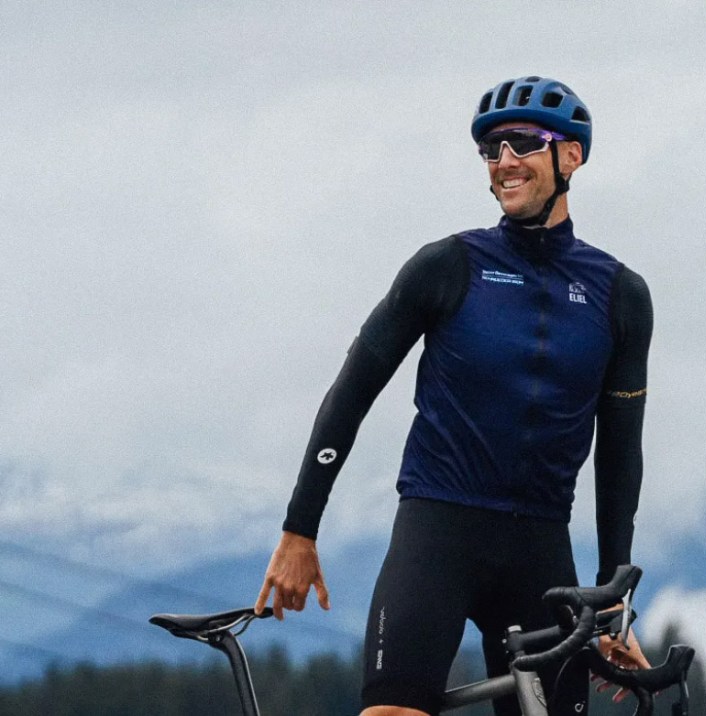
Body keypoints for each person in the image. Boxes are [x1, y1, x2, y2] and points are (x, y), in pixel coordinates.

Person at [255, 75, 654, 716]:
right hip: (438, 532)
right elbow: (351, 393)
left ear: (572, 155)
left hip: (542, 551)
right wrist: (300, 530)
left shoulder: (621, 296)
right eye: (492, 149)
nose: (505, 161)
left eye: (524, 142)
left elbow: (620, 453)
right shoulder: (446, 267)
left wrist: (612, 600)